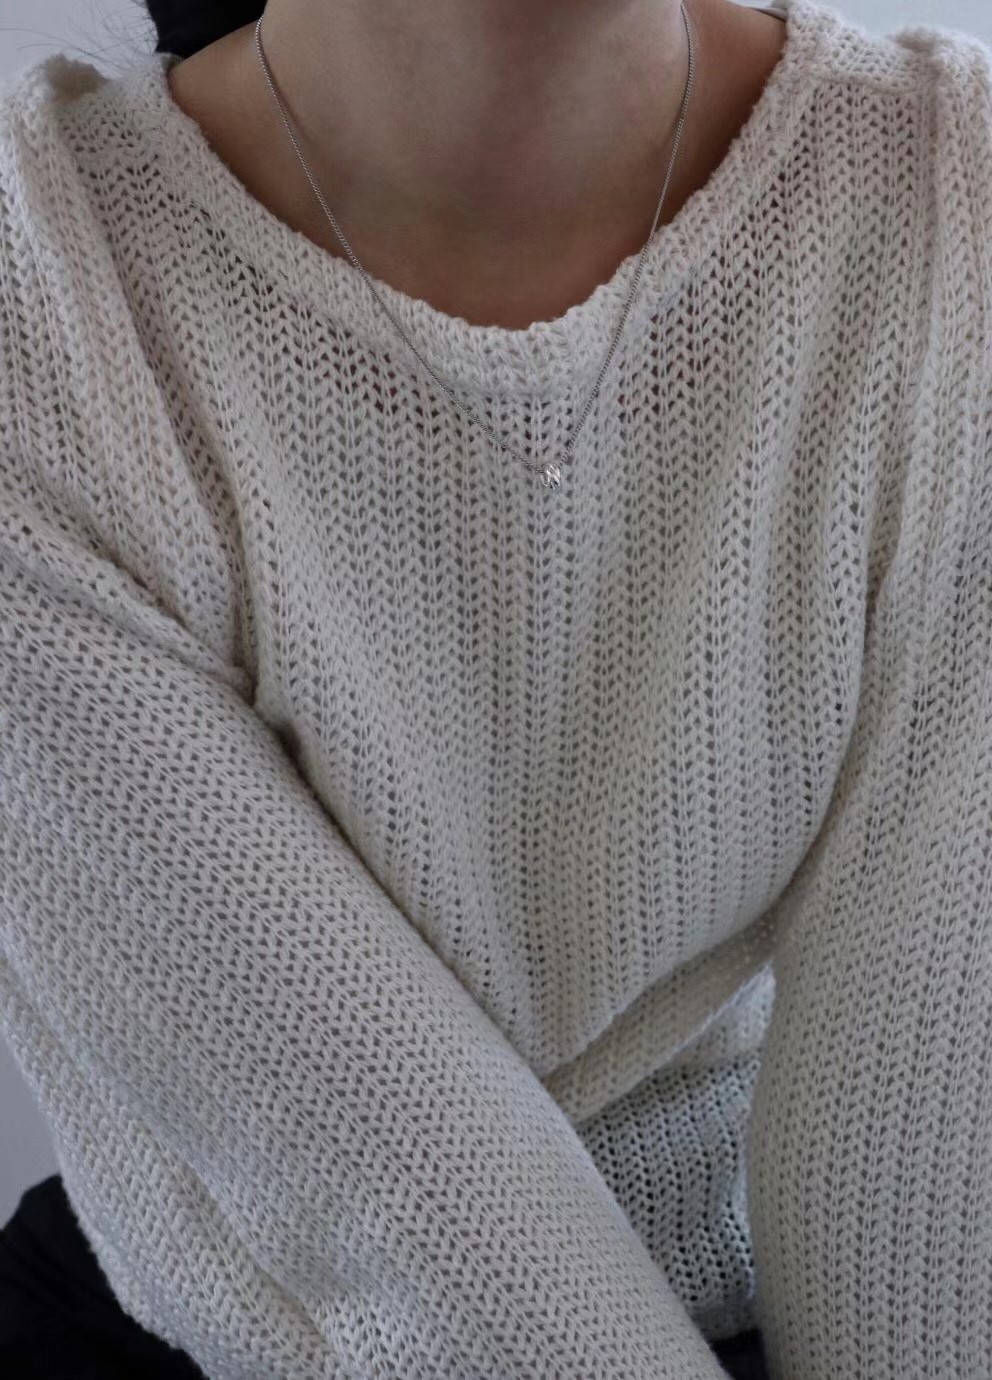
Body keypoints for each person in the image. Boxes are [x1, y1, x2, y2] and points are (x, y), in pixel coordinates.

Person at [0, 0, 990, 1375]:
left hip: (768, 1264)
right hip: (253, 1323)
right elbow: (392, 1201)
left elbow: (932, 1144)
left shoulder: (947, 204)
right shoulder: (42, 315)